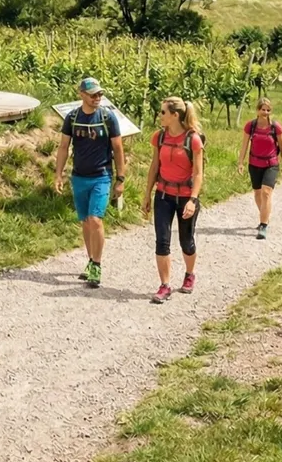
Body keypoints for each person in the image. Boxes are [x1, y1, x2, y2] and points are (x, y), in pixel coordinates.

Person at [54, 77, 126, 288]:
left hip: (102, 176)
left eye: (99, 94)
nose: (97, 98)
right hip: (79, 177)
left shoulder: (107, 117)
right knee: (85, 221)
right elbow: (63, 147)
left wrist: (120, 179)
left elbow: (118, 148)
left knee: (95, 219)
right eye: (93, 94)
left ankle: (96, 263)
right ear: (82, 95)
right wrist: (58, 174)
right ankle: (90, 259)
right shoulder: (72, 117)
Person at [142, 97, 204, 304]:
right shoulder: (159, 137)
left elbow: (198, 174)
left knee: (186, 241)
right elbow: (154, 167)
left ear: (174, 115)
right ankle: (165, 285)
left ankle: (190, 273)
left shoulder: (193, 139)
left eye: (162, 112)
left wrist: (192, 200)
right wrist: (147, 194)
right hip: (163, 195)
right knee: (162, 240)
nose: (160, 115)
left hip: (186, 196)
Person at [237, 97, 282, 240]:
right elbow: (244, 146)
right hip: (254, 164)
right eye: (263, 109)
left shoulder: (275, 127)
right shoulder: (251, 126)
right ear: (257, 110)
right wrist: (240, 162)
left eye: (268, 110)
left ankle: (263, 225)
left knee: (266, 193)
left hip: (271, 164)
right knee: (258, 193)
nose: (265, 112)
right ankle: (264, 216)